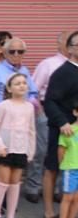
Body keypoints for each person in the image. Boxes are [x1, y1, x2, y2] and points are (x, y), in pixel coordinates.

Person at [0, 38, 37, 209]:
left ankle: (7, 201)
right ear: (4, 53)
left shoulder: (25, 71)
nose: (17, 55)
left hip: (19, 118)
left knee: (14, 160)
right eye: (12, 51)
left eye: (21, 51)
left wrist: (31, 102)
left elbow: (32, 91)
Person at [0, 73, 36, 218]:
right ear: (9, 88)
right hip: (4, 148)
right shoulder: (4, 105)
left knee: (15, 183)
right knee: (3, 181)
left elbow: (31, 130)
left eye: (23, 83)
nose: (21, 86)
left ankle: (11, 215)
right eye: (17, 83)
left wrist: (31, 150)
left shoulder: (29, 107)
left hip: (20, 149)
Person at [27, 32, 69, 203]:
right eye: (69, 42)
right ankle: (33, 186)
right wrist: (39, 111)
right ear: (59, 44)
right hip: (46, 111)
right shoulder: (48, 64)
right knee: (41, 151)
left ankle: (58, 188)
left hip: (70, 116)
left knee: (65, 153)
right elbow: (33, 89)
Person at [43, 30, 78, 218]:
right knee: (53, 167)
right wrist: (62, 122)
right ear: (71, 49)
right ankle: (49, 212)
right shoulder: (63, 72)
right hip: (63, 130)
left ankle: (71, 217)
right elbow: (49, 101)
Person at [55, 101, 78, 218]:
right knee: (68, 197)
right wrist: (62, 165)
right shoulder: (68, 130)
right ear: (75, 112)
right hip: (70, 168)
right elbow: (61, 150)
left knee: (76, 198)